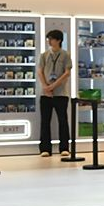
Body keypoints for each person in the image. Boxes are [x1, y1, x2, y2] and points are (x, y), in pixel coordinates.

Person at [37, 28, 71, 157]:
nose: (49, 41)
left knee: (63, 121)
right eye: (49, 39)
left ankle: (64, 148)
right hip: (45, 94)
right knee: (45, 121)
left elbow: (66, 73)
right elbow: (40, 71)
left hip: (61, 93)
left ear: (59, 40)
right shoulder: (44, 55)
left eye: (51, 39)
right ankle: (45, 148)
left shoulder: (65, 55)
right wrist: (45, 86)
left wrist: (53, 86)